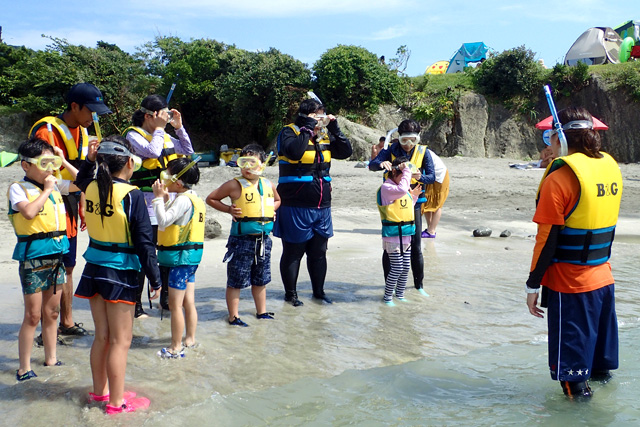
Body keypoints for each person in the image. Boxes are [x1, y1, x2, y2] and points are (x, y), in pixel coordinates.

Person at [526, 107, 623, 398]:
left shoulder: (559, 179)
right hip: (604, 282)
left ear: (561, 137)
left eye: (550, 137)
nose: (548, 144)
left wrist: (533, 284)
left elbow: (547, 239)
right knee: (600, 373)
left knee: (573, 382)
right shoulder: (609, 165)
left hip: (570, 287)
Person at [74, 135, 162, 414]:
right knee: (121, 341)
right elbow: (144, 241)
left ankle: (101, 394)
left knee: (102, 336)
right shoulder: (132, 194)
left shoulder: (88, 187)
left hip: (93, 268)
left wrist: (90, 160)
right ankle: (116, 403)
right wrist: (156, 278)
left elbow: (82, 176)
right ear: (128, 162)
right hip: (121, 271)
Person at [29, 82, 111, 337]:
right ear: (74, 106)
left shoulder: (84, 133)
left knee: (68, 266)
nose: (93, 117)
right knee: (51, 266)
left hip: (73, 205)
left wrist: (83, 202)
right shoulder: (47, 132)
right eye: (90, 110)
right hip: (50, 205)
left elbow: (85, 174)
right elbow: (43, 176)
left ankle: (66, 321)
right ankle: (47, 327)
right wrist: (78, 187)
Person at [8, 138, 78, 380]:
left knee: (52, 313)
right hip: (33, 258)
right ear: (26, 165)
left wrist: (64, 160)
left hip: (56, 256)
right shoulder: (18, 188)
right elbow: (28, 212)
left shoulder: (57, 184)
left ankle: (51, 358)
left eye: (52, 162)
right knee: (33, 315)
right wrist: (48, 189)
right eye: (43, 163)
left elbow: (83, 182)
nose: (50, 168)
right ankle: (24, 367)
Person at [274, 99, 352, 306]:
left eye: (322, 115)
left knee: (319, 252)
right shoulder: (288, 132)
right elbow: (295, 152)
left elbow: (345, 152)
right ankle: (291, 294)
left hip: (322, 205)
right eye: (316, 116)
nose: (320, 119)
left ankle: (319, 292)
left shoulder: (324, 135)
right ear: (306, 116)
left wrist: (334, 128)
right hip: (295, 204)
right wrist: (307, 129)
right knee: (294, 251)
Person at [124, 94, 194, 318]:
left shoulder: (162, 134)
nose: (167, 117)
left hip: (165, 203)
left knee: (164, 252)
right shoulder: (132, 135)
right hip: (143, 203)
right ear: (149, 116)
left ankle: (165, 299)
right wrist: (161, 129)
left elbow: (188, 150)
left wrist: (179, 128)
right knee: (144, 253)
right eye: (164, 114)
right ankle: (136, 305)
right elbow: (152, 152)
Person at [206, 144, 281, 325]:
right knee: (236, 279)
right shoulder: (234, 184)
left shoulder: (268, 184)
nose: (247, 167)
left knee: (261, 278)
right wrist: (229, 209)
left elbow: (278, 200)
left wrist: (272, 210)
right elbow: (211, 198)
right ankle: (234, 316)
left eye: (252, 162)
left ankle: (261, 312)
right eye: (243, 162)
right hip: (241, 241)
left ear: (263, 164)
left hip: (263, 240)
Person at [369, 119, 434, 295]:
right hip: (391, 204)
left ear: (418, 138)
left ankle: (419, 286)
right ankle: (388, 286)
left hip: (413, 203)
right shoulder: (390, 149)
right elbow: (372, 165)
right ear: (399, 138)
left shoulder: (424, 152)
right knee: (390, 245)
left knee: (415, 245)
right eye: (405, 140)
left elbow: (432, 177)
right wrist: (380, 164)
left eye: (413, 140)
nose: (408, 145)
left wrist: (421, 177)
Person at [152, 158, 205, 357]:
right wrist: (165, 200)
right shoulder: (192, 197)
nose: (163, 177)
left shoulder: (182, 199)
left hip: (180, 259)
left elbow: (163, 220)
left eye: (167, 174)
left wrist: (157, 198)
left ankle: (176, 347)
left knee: (175, 305)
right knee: (188, 301)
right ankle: (190, 339)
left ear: (178, 182)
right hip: (190, 258)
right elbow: (176, 221)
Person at [377, 156, 422, 306]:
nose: (406, 180)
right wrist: (407, 170)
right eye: (404, 177)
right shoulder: (387, 188)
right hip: (392, 236)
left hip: (406, 235)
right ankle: (387, 297)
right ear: (395, 173)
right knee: (397, 268)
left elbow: (405, 205)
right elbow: (402, 189)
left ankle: (400, 294)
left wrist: (414, 196)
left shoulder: (401, 187)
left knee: (405, 268)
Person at [420, 149, 450, 238]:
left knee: (437, 204)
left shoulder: (421, 151)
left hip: (439, 176)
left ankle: (432, 231)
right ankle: (430, 228)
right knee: (426, 201)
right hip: (429, 177)